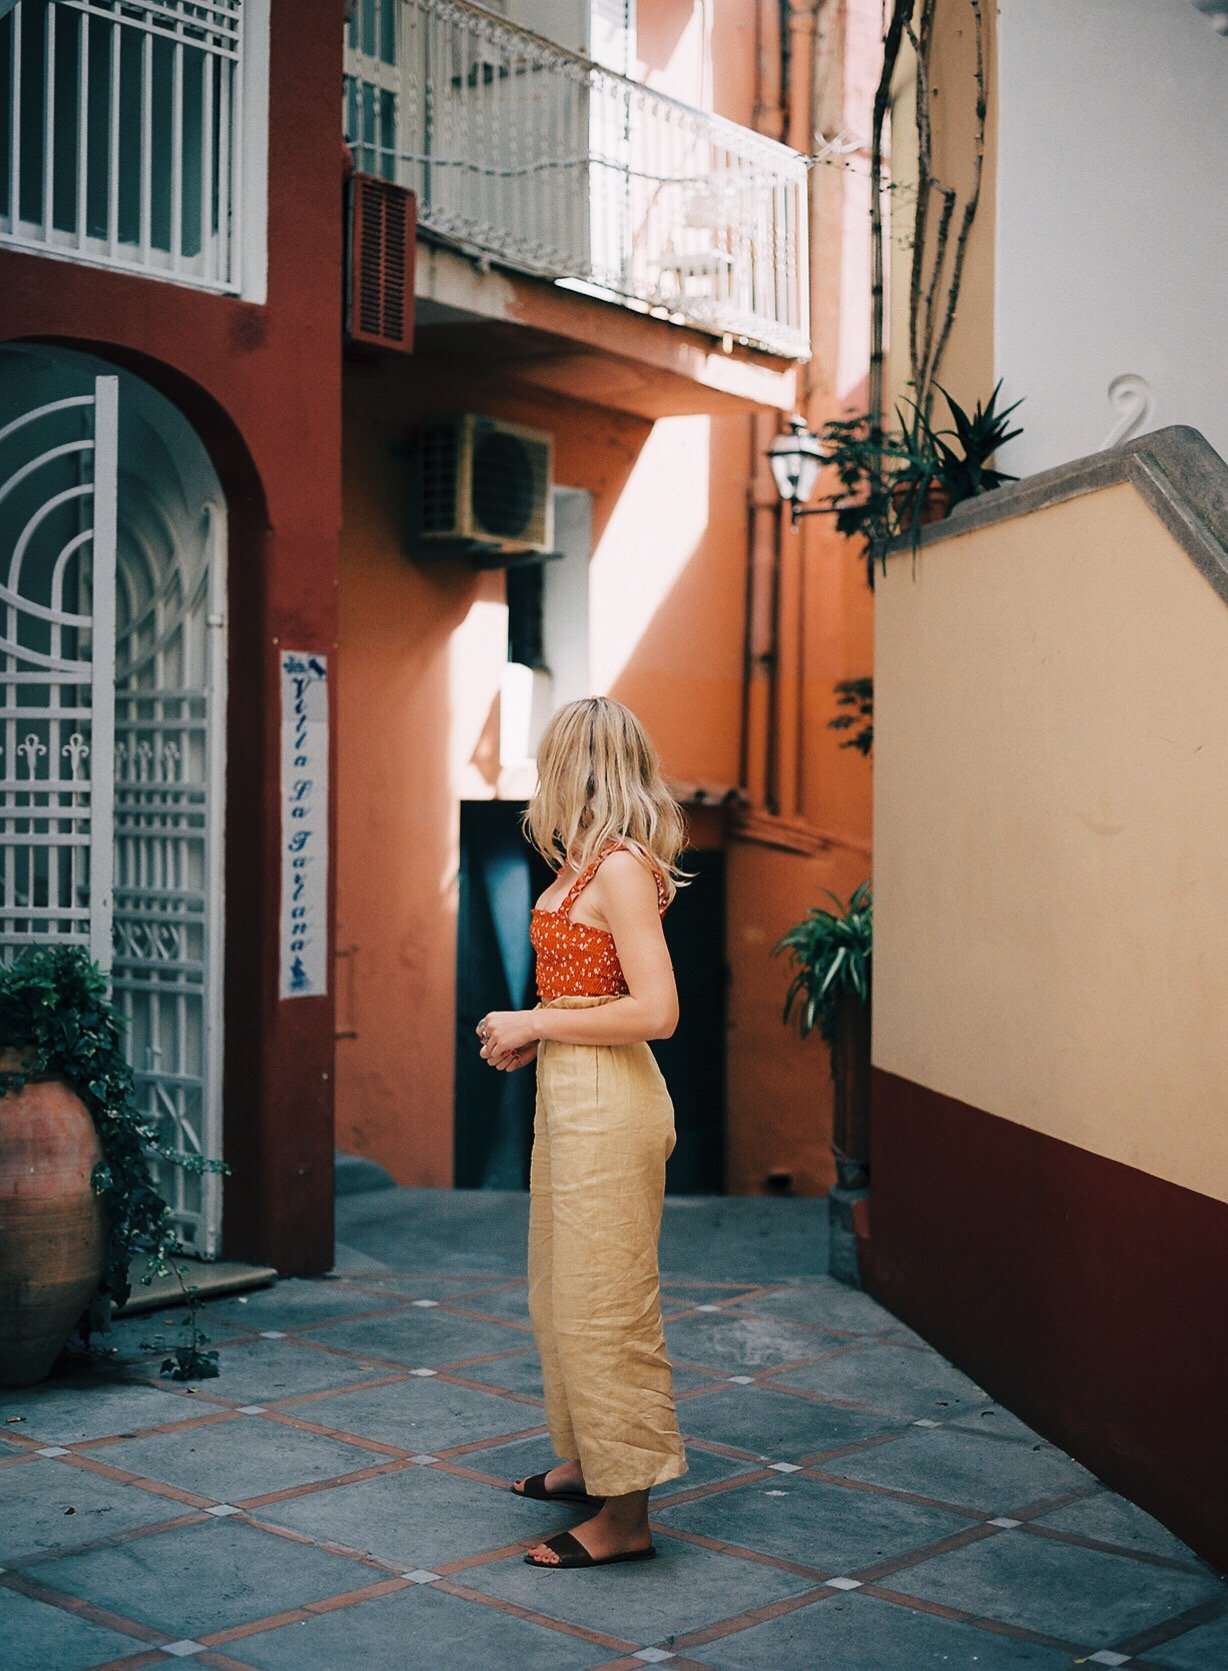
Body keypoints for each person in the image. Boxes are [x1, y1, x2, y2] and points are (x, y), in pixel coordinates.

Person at [476, 696, 688, 1570]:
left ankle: (626, 1512)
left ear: (574, 765)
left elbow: (658, 1011)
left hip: (610, 1101)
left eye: (550, 760)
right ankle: (587, 1459)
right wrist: (543, 1034)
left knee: (607, 1302)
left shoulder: (622, 868)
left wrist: (535, 1021)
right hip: (571, 1094)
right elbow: (590, 995)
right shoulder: (583, 863)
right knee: (560, 1289)